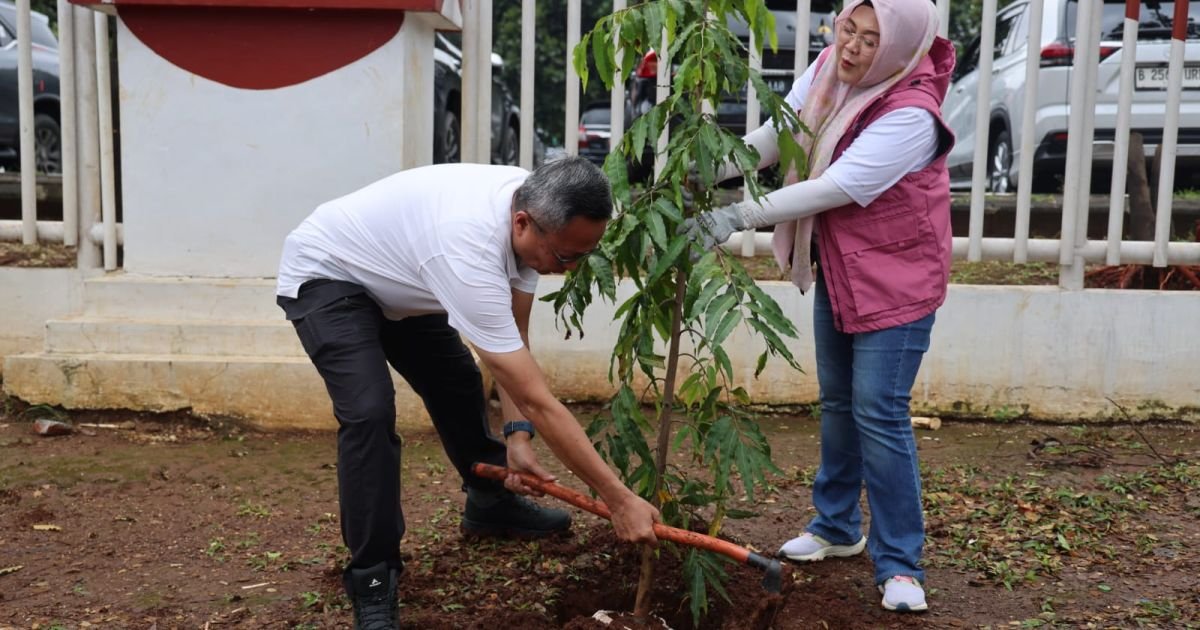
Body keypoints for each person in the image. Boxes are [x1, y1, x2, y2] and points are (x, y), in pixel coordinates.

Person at [276, 156, 660, 629]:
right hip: (329, 275)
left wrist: (517, 436)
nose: (572, 268)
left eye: (584, 255)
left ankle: (489, 501)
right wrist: (619, 499)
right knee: (370, 412)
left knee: (456, 379)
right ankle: (372, 577)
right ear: (522, 223)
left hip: (402, 279)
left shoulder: (536, 207)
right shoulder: (468, 251)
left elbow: (514, 343)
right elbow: (538, 398)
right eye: (566, 257)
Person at [680, 0, 955, 614]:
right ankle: (835, 526)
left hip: (899, 279)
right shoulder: (830, 69)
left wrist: (733, 215)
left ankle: (901, 563)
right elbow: (779, 135)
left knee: (878, 411)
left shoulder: (913, 115)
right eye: (846, 29)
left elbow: (839, 185)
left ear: (901, 49)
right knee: (837, 401)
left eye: (869, 39)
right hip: (844, 268)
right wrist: (702, 172)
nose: (851, 47)